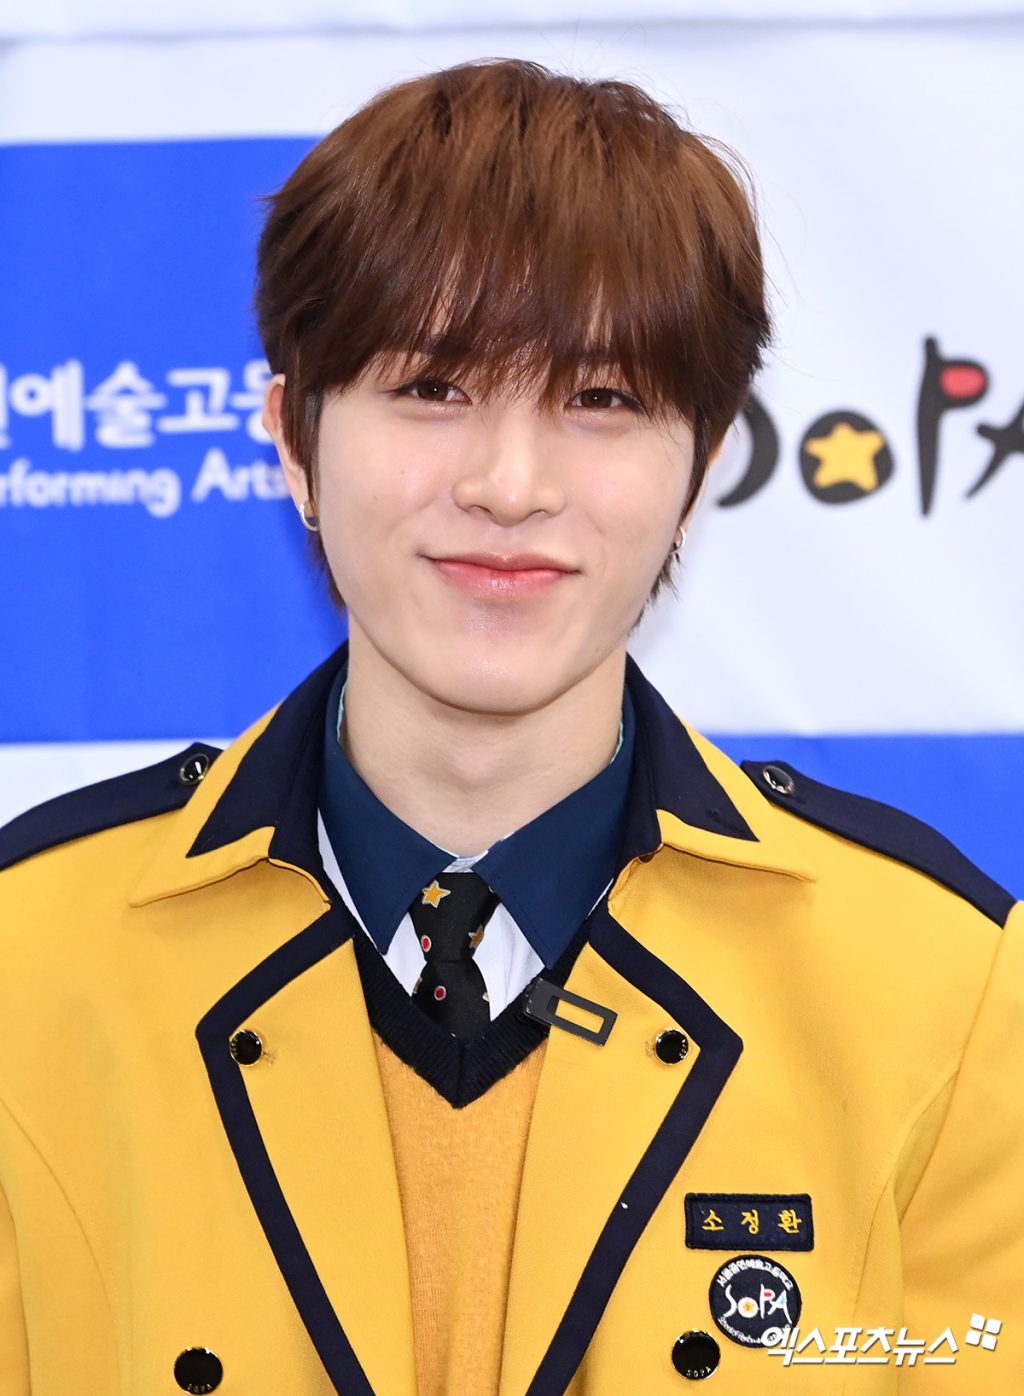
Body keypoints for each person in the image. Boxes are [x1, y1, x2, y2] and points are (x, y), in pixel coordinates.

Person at [0, 57, 1020, 1396]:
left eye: (601, 400)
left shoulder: (944, 988)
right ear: (294, 439)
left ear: (703, 466)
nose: (510, 485)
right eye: (434, 388)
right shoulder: (31, 962)